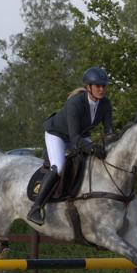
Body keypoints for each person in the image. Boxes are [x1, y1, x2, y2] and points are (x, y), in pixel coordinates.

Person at [30, 66, 115, 224]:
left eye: (104, 86)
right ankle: (36, 208)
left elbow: (109, 132)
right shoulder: (75, 103)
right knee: (59, 166)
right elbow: (74, 139)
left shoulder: (105, 104)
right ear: (88, 87)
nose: (102, 89)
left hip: (80, 136)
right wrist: (91, 148)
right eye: (98, 86)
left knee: (97, 161)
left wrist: (110, 145)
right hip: (58, 134)